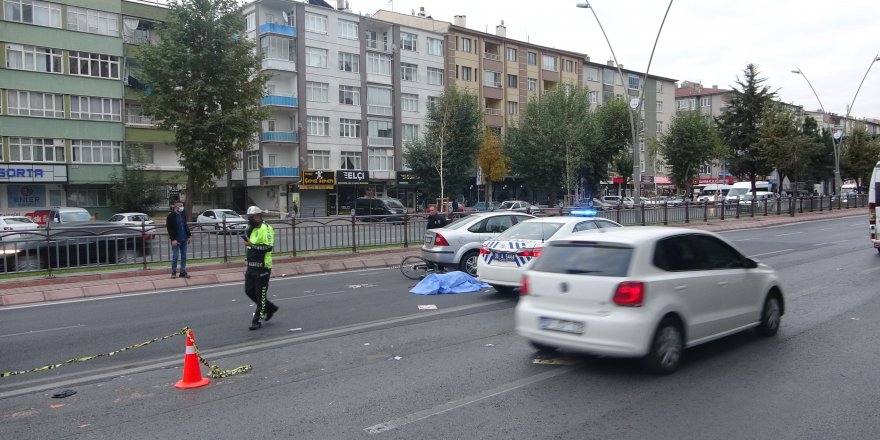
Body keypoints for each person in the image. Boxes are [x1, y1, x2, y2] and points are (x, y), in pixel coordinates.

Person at [243, 205, 278, 330]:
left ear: (260, 216)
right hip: (251, 266)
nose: (254, 218)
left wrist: (251, 246)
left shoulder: (266, 228)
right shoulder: (250, 228)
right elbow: (248, 242)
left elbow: (268, 247)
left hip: (263, 267)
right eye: (252, 217)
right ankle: (271, 307)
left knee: (260, 295)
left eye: (256, 216)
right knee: (248, 291)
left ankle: (256, 320)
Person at [165, 200, 191, 279]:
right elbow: (170, 229)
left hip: (184, 238)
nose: (182, 207)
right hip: (176, 240)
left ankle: (182, 272)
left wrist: (188, 236)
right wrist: (173, 239)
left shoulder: (182, 215)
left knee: (184, 256)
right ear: (176, 206)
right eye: (180, 206)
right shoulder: (170, 216)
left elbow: (185, 225)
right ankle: (173, 272)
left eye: (182, 206)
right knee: (175, 256)